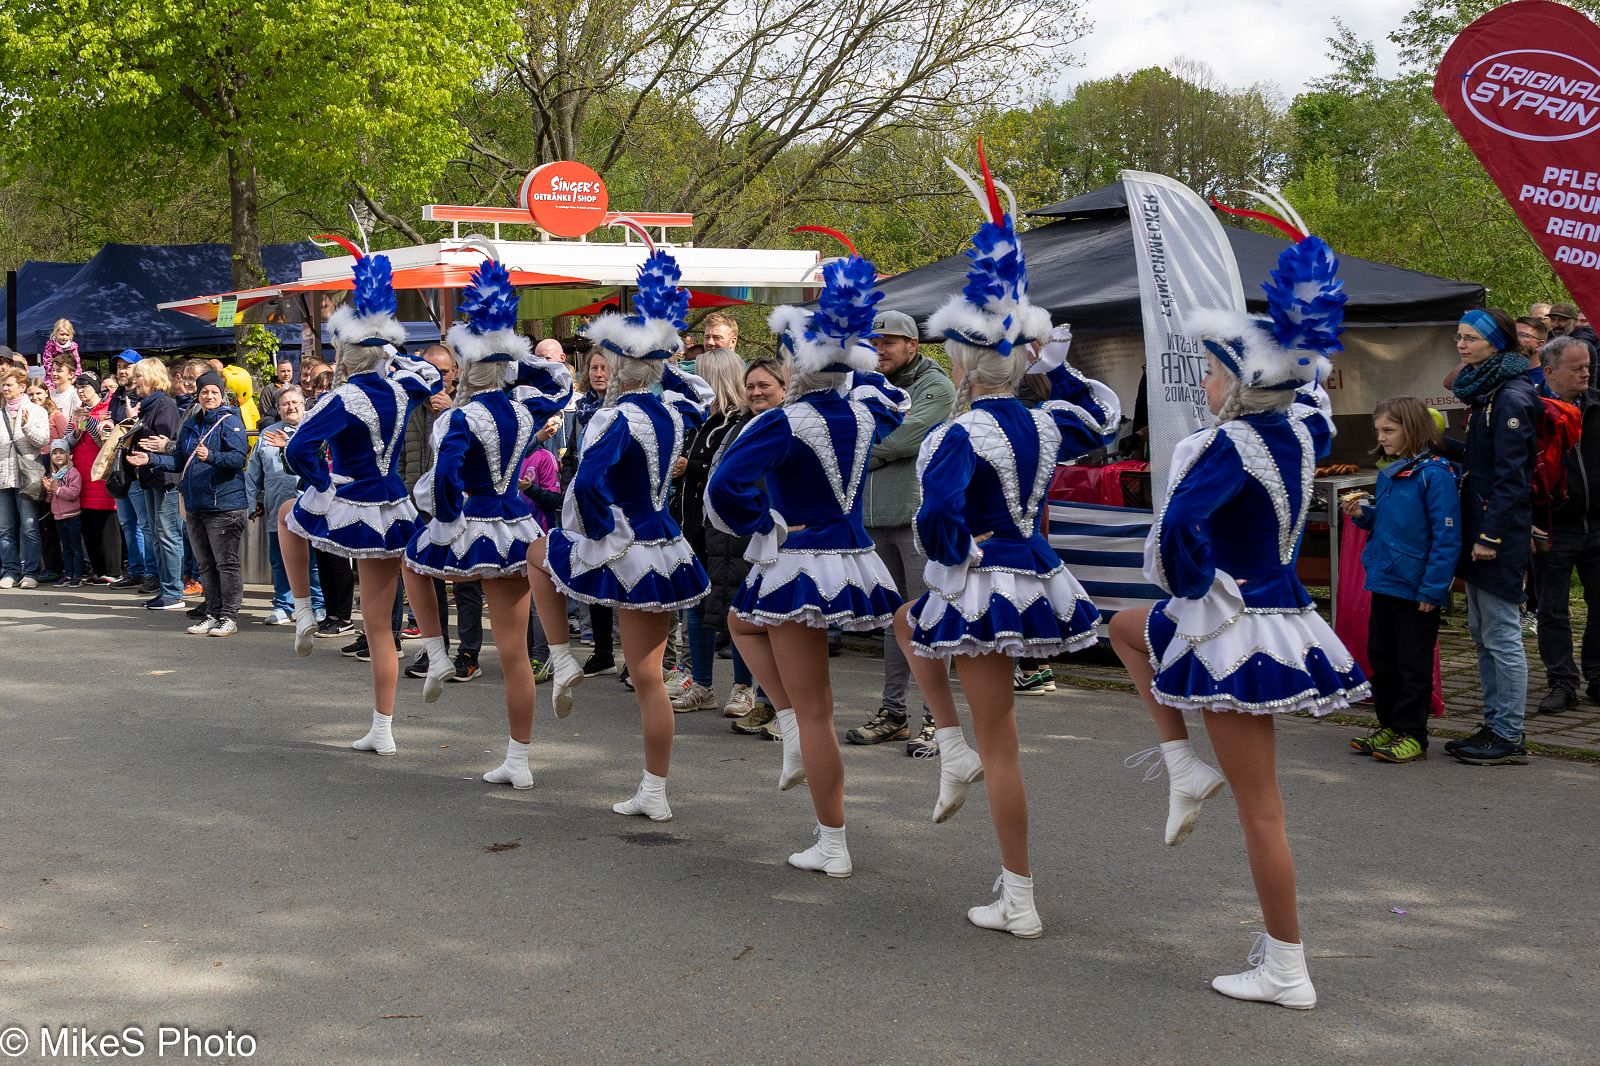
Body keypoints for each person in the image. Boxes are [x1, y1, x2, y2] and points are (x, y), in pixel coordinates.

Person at [1107, 213, 1366, 1008]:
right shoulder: (1299, 434)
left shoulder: (1226, 446)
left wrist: (1192, 586)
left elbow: (1176, 533)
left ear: (1243, 380)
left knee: (1263, 810)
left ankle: (1286, 967)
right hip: (1281, 613)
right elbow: (1312, 398)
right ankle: (1182, 765)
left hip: (1234, 628)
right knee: (1125, 629)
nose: (1206, 385)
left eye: (1215, 373)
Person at [897, 157, 1120, 934]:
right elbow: (1103, 422)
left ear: (962, 362)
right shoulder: (1046, 421)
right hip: (1033, 566)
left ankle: (1019, 895)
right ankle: (954, 752)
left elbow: (939, 516)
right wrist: (1058, 371)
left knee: (1000, 744)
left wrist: (950, 559)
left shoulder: (957, 434)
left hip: (985, 575)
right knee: (910, 625)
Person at [707, 255, 909, 876]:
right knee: (742, 623)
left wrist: (763, 523)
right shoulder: (864, 411)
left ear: (799, 363)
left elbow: (723, 487)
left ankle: (832, 840)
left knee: (816, 708)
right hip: (852, 554)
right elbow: (893, 398)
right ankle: (792, 725)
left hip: (800, 558)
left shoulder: (784, 422)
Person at [535, 245, 713, 820]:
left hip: (628, 540)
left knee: (539, 553)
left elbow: (588, 484)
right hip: (664, 540)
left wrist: (595, 535)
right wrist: (661, 355)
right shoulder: (672, 412)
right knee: (648, 677)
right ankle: (654, 790)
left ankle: (561, 656)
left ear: (617, 368)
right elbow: (701, 396)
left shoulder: (616, 417)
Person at [402, 257, 572, 788]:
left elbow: (445, 476)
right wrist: (516, 360)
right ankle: (519, 759)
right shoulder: (523, 410)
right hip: (516, 522)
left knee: (413, 562)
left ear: (469, 366)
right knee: (514, 651)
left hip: (473, 517)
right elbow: (560, 384)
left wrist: (444, 518)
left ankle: (436, 652)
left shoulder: (461, 415)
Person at [279, 254, 442, 755]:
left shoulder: (342, 397)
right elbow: (433, 377)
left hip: (351, 495)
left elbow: (296, 449)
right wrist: (394, 352)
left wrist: (321, 484)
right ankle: (384, 726)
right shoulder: (401, 388)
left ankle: (303, 611)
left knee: (287, 515)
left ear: (346, 357)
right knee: (378, 624)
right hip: (392, 502)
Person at [849, 307, 957, 752]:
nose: (879, 350)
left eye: (888, 342)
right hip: (875, 519)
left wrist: (858, 453)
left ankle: (939, 721)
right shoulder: (865, 382)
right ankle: (894, 714)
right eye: (873, 342)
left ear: (912, 345)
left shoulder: (936, 385)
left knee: (927, 619)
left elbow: (906, 437)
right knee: (896, 623)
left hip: (915, 518)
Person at [1442, 308, 1539, 765]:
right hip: (1479, 527)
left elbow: (1511, 477)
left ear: (1495, 342)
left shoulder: (1511, 397)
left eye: (1470, 339)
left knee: (1501, 634)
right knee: (1481, 633)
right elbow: (1482, 461)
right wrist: (1440, 444)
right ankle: (1494, 722)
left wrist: (1491, 536)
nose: (1461, 345)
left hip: (1496, 534)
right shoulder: (1485, 392)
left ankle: (1509, 732)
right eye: (1459, 338)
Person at [1343, 398, 1461, 763]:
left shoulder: (1435, 474)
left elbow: (1446, 536)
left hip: (1416, 585)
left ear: (1413, 429)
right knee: (1383, 657)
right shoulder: (1392, 471)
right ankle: (1390, 724)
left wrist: (1433, 588)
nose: (1381, 438)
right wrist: (1363, 514)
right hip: (1385, 578)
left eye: (1389, 430)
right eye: (1378, 430)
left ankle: (1413, 733)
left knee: (1413, 663)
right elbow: (1387, 521)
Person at [671, 345, 756, 715]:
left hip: (728, 531)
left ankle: (743, 688)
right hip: (695, 527)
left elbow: (734, 474)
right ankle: (702, 684)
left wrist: (691, 467)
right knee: (698, 607)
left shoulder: (739, 423)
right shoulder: (701, 420)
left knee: (734, 607)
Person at [134, 371, 251, 635]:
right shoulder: (190, 424)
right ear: (198, 396)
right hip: (196, 504)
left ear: (222, 395)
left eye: (214, 392)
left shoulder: (230, 421)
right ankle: (212, 612)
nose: (209, 396)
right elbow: (179, 461)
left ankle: (229, 617)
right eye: (204, 392)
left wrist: (211, 456)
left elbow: (237, 459)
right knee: (205, 564)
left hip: (225, 505)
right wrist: (151, 459)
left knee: (226, 564)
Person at [1530, 336, 1600, 713]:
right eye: (1577, 368)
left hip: (1598, 524)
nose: (1586, 373)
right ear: (1550, 371)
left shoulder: (1597, 406)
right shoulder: (1531, 411)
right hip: (1552, 526)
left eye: (1587, 366)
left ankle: (1597, 675)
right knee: (1552, 609)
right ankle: (1562, 682)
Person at [721, 358, 790, 737]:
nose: (756, 392)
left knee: (783, 625)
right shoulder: (744, 426)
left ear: (784, 387)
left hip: (787, 537)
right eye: (750, 386)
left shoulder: (789, 424)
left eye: (764, 385)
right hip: (752, 537)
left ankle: (790, 709)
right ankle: (765, 699)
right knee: (752, 618)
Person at [248, 388, 324, 625]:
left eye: (295, 402)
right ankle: (283, 605)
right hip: (277, 507)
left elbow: (319, 459)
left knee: (313, 562)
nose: (291, 407)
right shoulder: (267, 434)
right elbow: (253, 473)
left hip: (312, 508)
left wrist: (288, 444)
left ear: (303, 404)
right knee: (279, 561)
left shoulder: (314, 429)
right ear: (278, 409)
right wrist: (251, 503)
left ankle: (318, 605)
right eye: (285, 404)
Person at [122, 359, 186, 610]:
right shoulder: (147, 405)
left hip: (165, 477)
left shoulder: (165, 404)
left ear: (153, 377)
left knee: (168, 534)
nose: (135, 380)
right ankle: (165, 588)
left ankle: (173, 592)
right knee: (157, 534)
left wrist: (135, 426)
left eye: (140, 375)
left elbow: (162, 442)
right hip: (149, 476)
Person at [102, 350, 154, 591]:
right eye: (119, 366)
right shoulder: (117, 396)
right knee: (127, 523)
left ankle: (151, 573)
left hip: (137, 469)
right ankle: (136, 571)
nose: (122, 370)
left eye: (127, 366)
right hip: (119, 469)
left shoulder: (145, 396)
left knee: (145, 524)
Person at [65, 375, 119, 582]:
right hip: (82, 474)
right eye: (77, 387)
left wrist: (89, 421)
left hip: (101, 473)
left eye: (84, 386)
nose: (80, 391)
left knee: (106, 523)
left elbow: (104, 442)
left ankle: (113, 571)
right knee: (88, 524)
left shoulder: (107, 410)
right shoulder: (78, 411)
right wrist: (78, 428)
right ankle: (97, 570)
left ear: (95, 388)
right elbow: (69, 442)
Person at [0, 367, 49, 588]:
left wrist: (27, 427)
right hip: (3, 477)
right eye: (3, 385)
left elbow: (43, 441)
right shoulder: (0, 413)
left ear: (22, 387)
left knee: (29, 526)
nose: (4, 388)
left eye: (8, 384)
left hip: (26, 477)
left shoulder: (37, 411)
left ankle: (31, 572)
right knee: (5, 528)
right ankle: (10, 571)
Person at [42, 440, 84, 585]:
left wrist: (56, 489)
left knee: (75, 547)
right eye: (54, 453)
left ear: (68, 455)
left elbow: (73, 493)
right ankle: (68, 574)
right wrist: (49, 490)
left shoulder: (73, 473)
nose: (58, 455)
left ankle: (78, 575)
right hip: (58, 517)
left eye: (61, 452)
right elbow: (49, 500)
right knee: (65, 547)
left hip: (72, 516)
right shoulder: (53, 475)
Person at [41, 319, 80, 385]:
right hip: (53, 377)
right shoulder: (50, 346)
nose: (64, 337)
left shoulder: (73, 347)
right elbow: (47, 363)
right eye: (62, 334)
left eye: (67, 335)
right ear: (56, 333)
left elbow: (77, 363)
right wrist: (54, 375)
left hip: (68, 377)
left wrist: (76, 376)